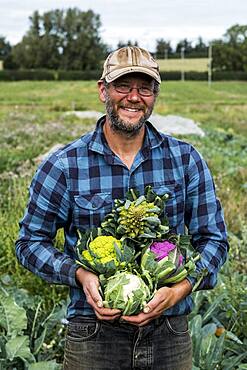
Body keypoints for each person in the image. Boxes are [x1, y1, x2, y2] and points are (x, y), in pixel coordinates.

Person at [16, 46, 228, 370]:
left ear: (155, 95)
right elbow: (29, 243)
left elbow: (214, 240)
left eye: (144, 88)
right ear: (103, 89)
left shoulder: (185, 160)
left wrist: (179, 289)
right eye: (123, 86)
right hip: (92, 335)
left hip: (169, 334)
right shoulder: (64, 165)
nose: (133, 97)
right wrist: (80, 274)